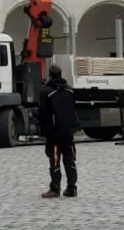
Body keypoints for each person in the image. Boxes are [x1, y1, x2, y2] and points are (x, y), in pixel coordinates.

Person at [38, 63, 77, 198]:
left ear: (50, 75)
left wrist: (43, 131)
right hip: (69, 133)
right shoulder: (70, 91)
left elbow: (42, 114)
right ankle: (72, 188)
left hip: (54, 134)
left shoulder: (46, 92)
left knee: (54, 161)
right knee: (70, 160)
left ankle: (55, 188)